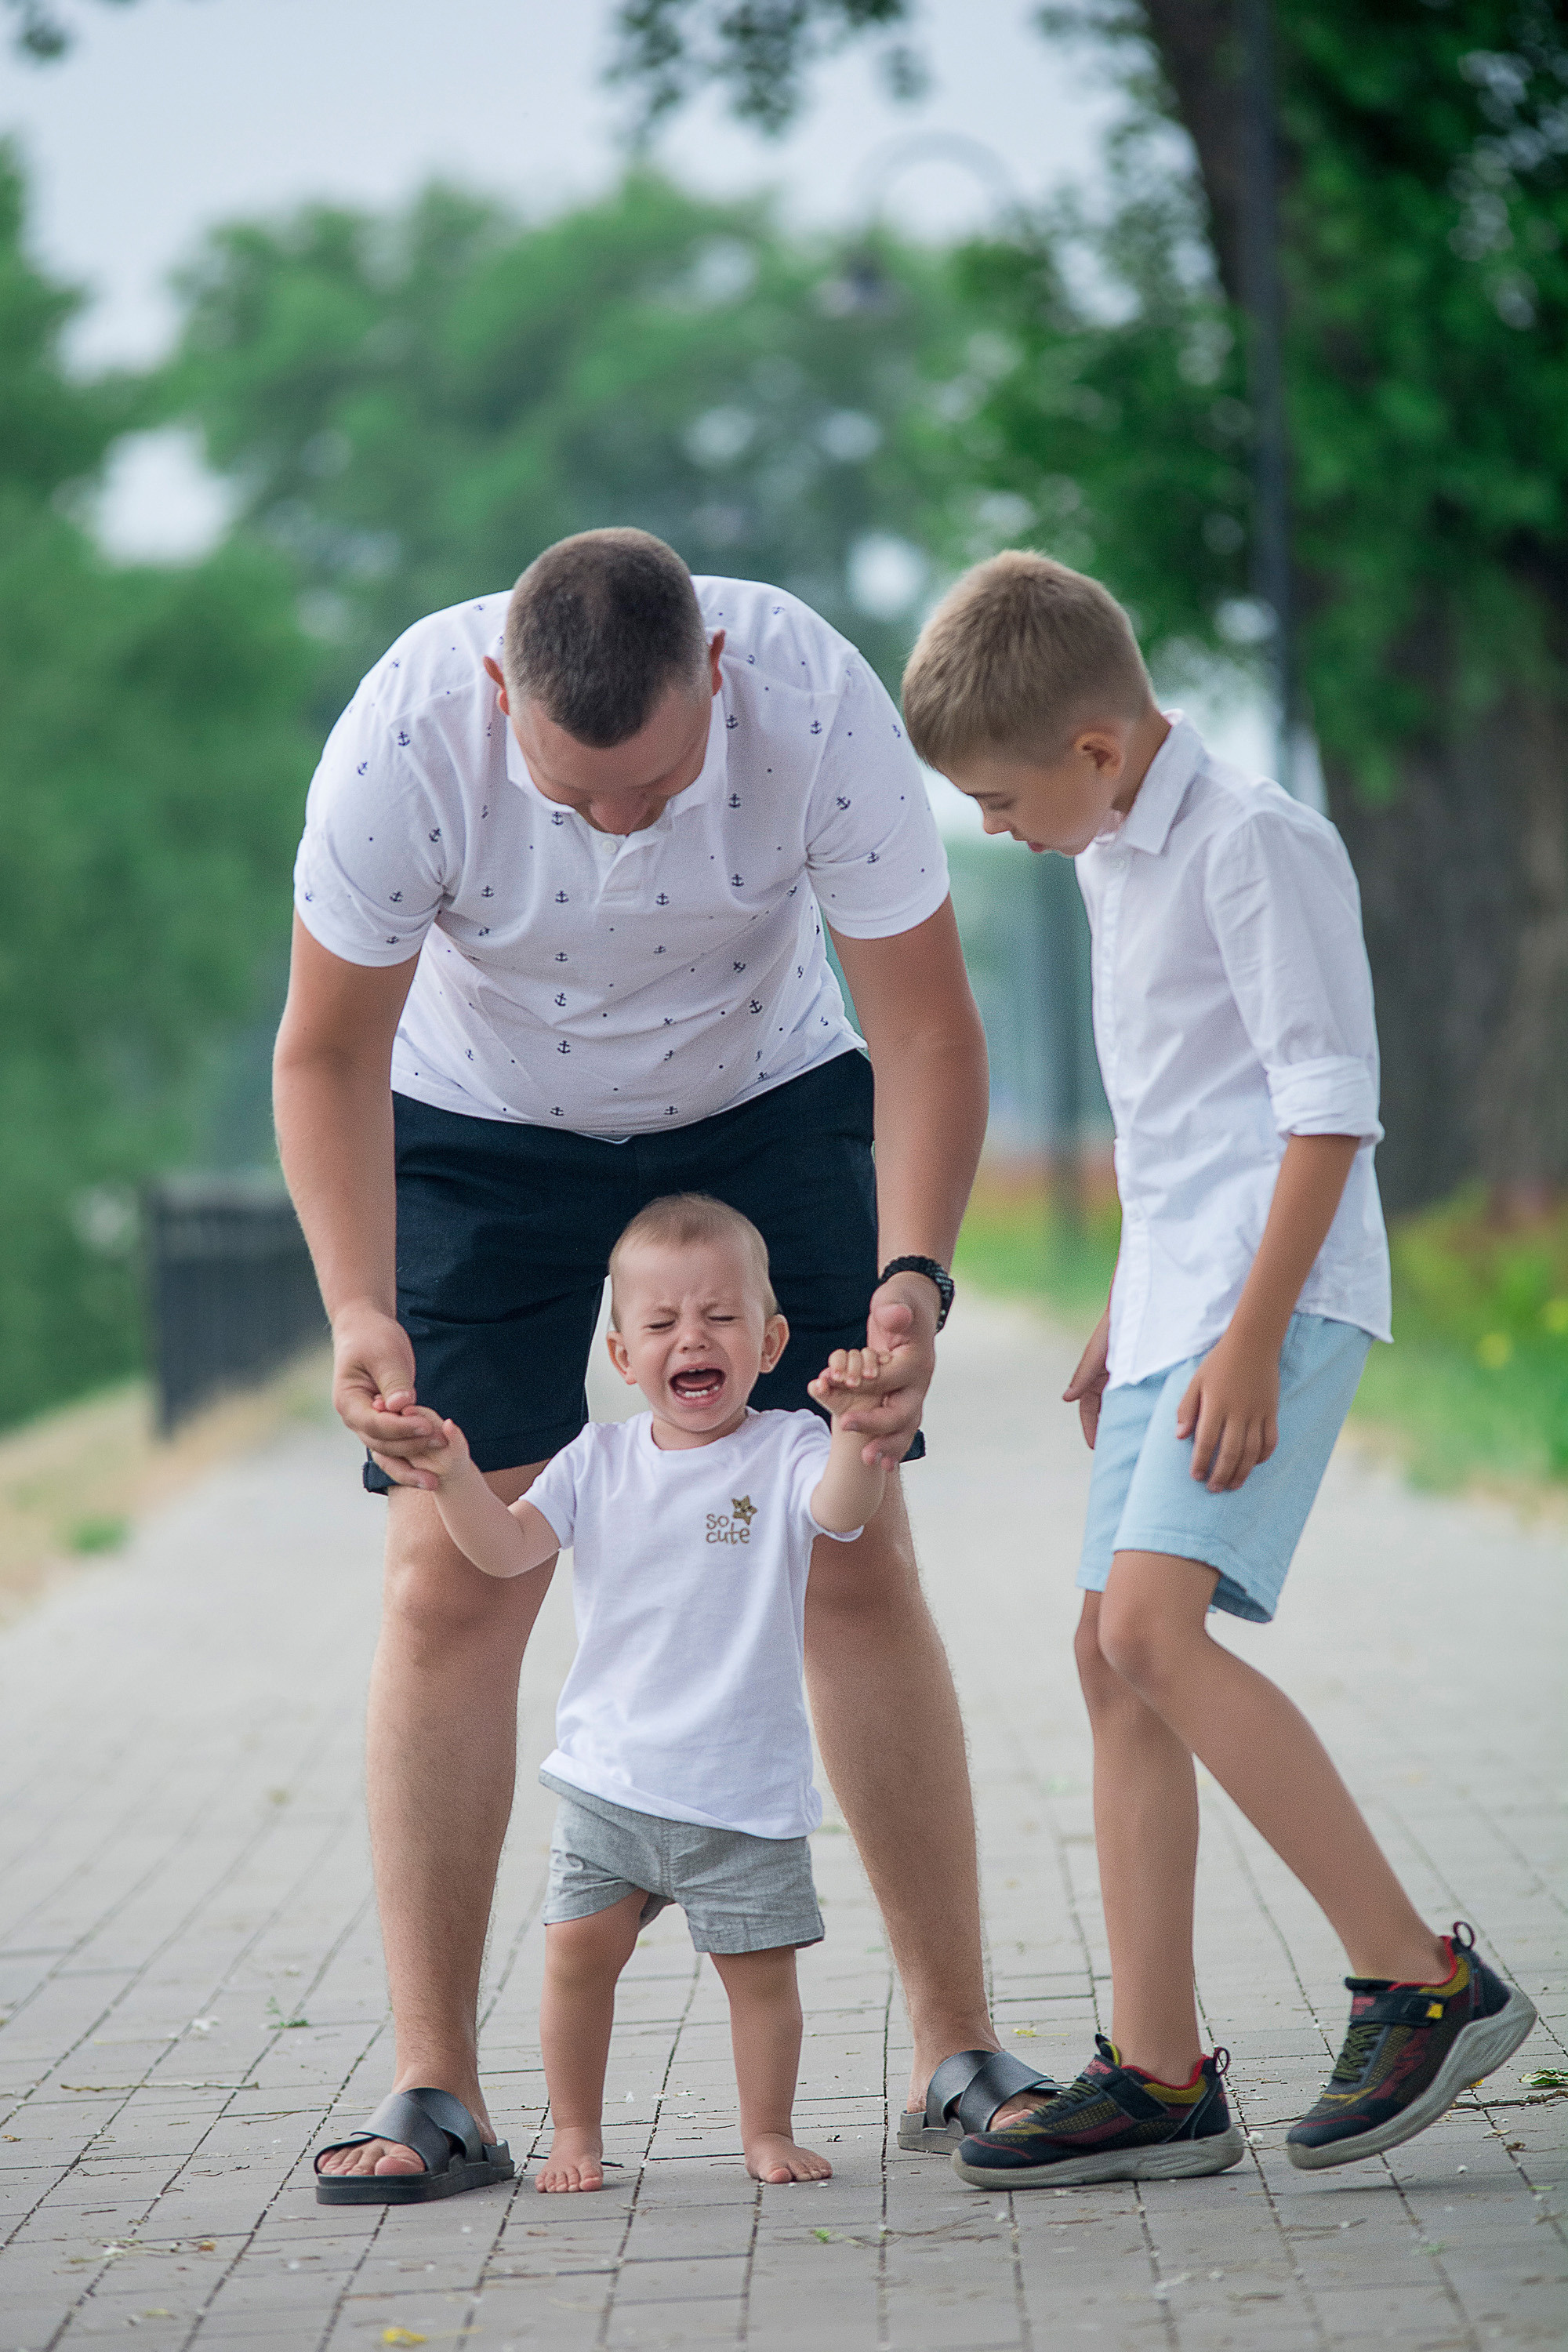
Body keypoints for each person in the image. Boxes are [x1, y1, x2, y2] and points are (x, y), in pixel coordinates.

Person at [281, 529, 1055, 2197]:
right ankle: (439, 2092)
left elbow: (924, 1024)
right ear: (499, 694)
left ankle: (956, 2050)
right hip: (481, 1124)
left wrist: (916, 1276)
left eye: (653, 788)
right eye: (579, 799)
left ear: (715, 677)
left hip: (763, 1101)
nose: (620, 828)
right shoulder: (404, 738)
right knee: (446, 1578)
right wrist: (357, 1306)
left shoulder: (811, 702)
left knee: (846, 1552)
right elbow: (327, 1046)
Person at [899, 552, 1537, 2191]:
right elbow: (1182, 1124)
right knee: (1105, 1658)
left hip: (1279, 1298)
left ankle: (1422, 1980)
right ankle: (1160, 2073)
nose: (991, 825)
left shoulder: (1257, 845)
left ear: (1097, 749)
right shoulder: (1112, 853)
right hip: (1181, 1298)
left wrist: (1245, 1334)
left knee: (1150, 1634)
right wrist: (1129, 1307)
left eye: (998, 791)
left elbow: (1326, 1107)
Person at [347, 1194, 891, 2196]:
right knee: (573, 1962)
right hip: (610, 1780)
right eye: (661, 1323)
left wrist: (859, 1433)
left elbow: (841, 1513)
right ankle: (574, 2135)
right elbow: (505, 1552)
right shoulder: (592, 1462)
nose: (693, 1338)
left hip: (742, 1788)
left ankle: (766, 2129)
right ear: (620, 1353)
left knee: (761, 1979)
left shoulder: (786, 1450)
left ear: (769, 1340)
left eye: (722, 1318)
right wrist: (453, 1476)